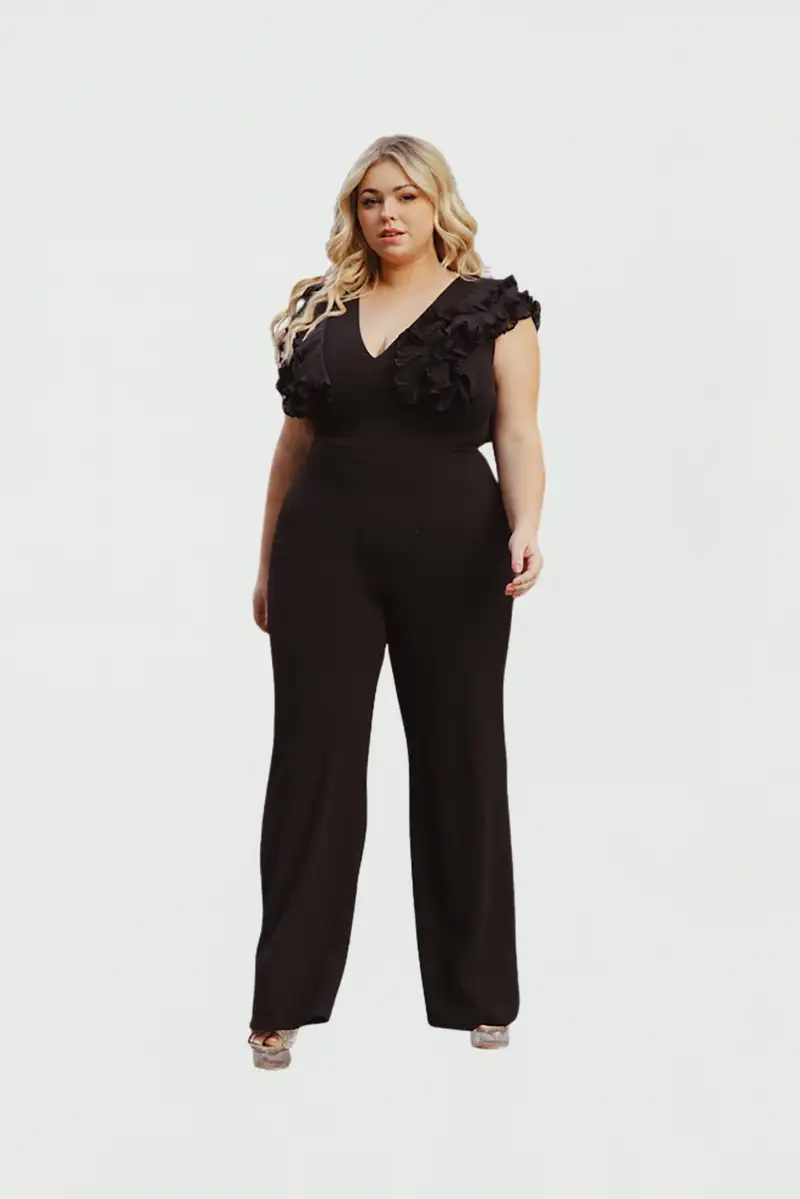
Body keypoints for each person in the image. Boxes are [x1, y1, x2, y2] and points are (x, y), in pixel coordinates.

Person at [247, 134, 544, 1071]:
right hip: (322, 554)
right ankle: (282, 1003)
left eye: (407, 196)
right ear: (355, 212)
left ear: (437, 203)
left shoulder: (495, 313)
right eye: (372, 198)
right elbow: (293, 448)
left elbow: (519, 434)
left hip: (456, 555)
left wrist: (527, 525)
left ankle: (479, 994)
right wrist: (267, 563)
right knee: (312, 764)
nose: (388, 214)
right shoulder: (319, 307)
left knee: (462, 756)